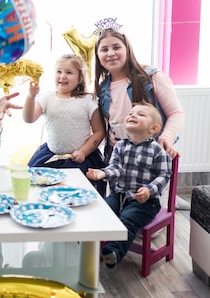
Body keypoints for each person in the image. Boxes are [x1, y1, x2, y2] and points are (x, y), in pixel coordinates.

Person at [94, 26, 187, 209]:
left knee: (142, 217)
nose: (111, 53)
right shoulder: (102, 88)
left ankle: (168, 202)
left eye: (116, 47)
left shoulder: (150, 77)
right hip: (119, 156)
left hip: (148, 156)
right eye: (104, 49)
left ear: (127, 49)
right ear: (98, 56)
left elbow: (176, 113)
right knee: (117, 215)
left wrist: (165, 138)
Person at [86, 102, 172, 269]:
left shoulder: (157, 151)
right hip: (119, 195)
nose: (132, 115)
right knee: (101, 212)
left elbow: (164, 175)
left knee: (128, 219)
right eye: (131, 113)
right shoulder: (120, 146)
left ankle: (114, 251)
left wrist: (149, 190)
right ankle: (87, 244)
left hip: (144, 202)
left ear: (154, 128)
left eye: (140, 114)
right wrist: (102, 173)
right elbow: (116, 168)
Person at [23, 54, 107, 196]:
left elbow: (99, 131)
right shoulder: (46, 98)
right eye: (59, 71)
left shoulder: (88, 100)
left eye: (69, 72)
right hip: (50, 157)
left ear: (80, 78)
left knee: (75, 195)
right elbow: (29, 118)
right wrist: (31, 97)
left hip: (80, 159)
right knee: (42, 193)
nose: (62, 76)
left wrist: (83, 152)